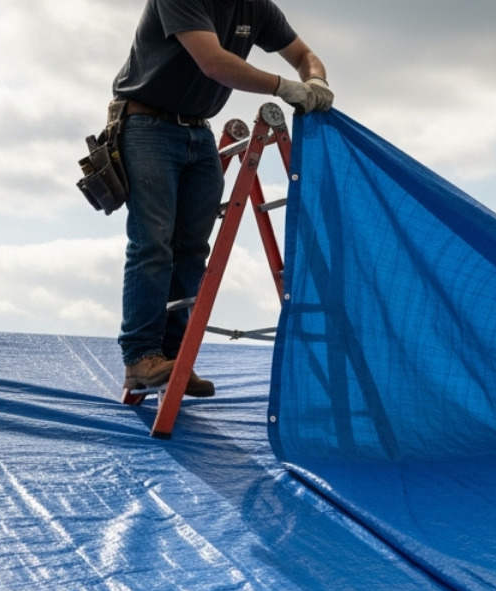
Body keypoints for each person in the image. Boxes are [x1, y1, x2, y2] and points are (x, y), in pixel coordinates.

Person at [111, 0, 332, 397]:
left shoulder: (256, 7)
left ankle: (174, 359)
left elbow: (303, 55)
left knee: (193, 249)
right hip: (147, 124)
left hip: (197, 131)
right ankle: (141, 358)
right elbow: (212, 61)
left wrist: (315, 81)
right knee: (153, 243)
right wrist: (284, 87)